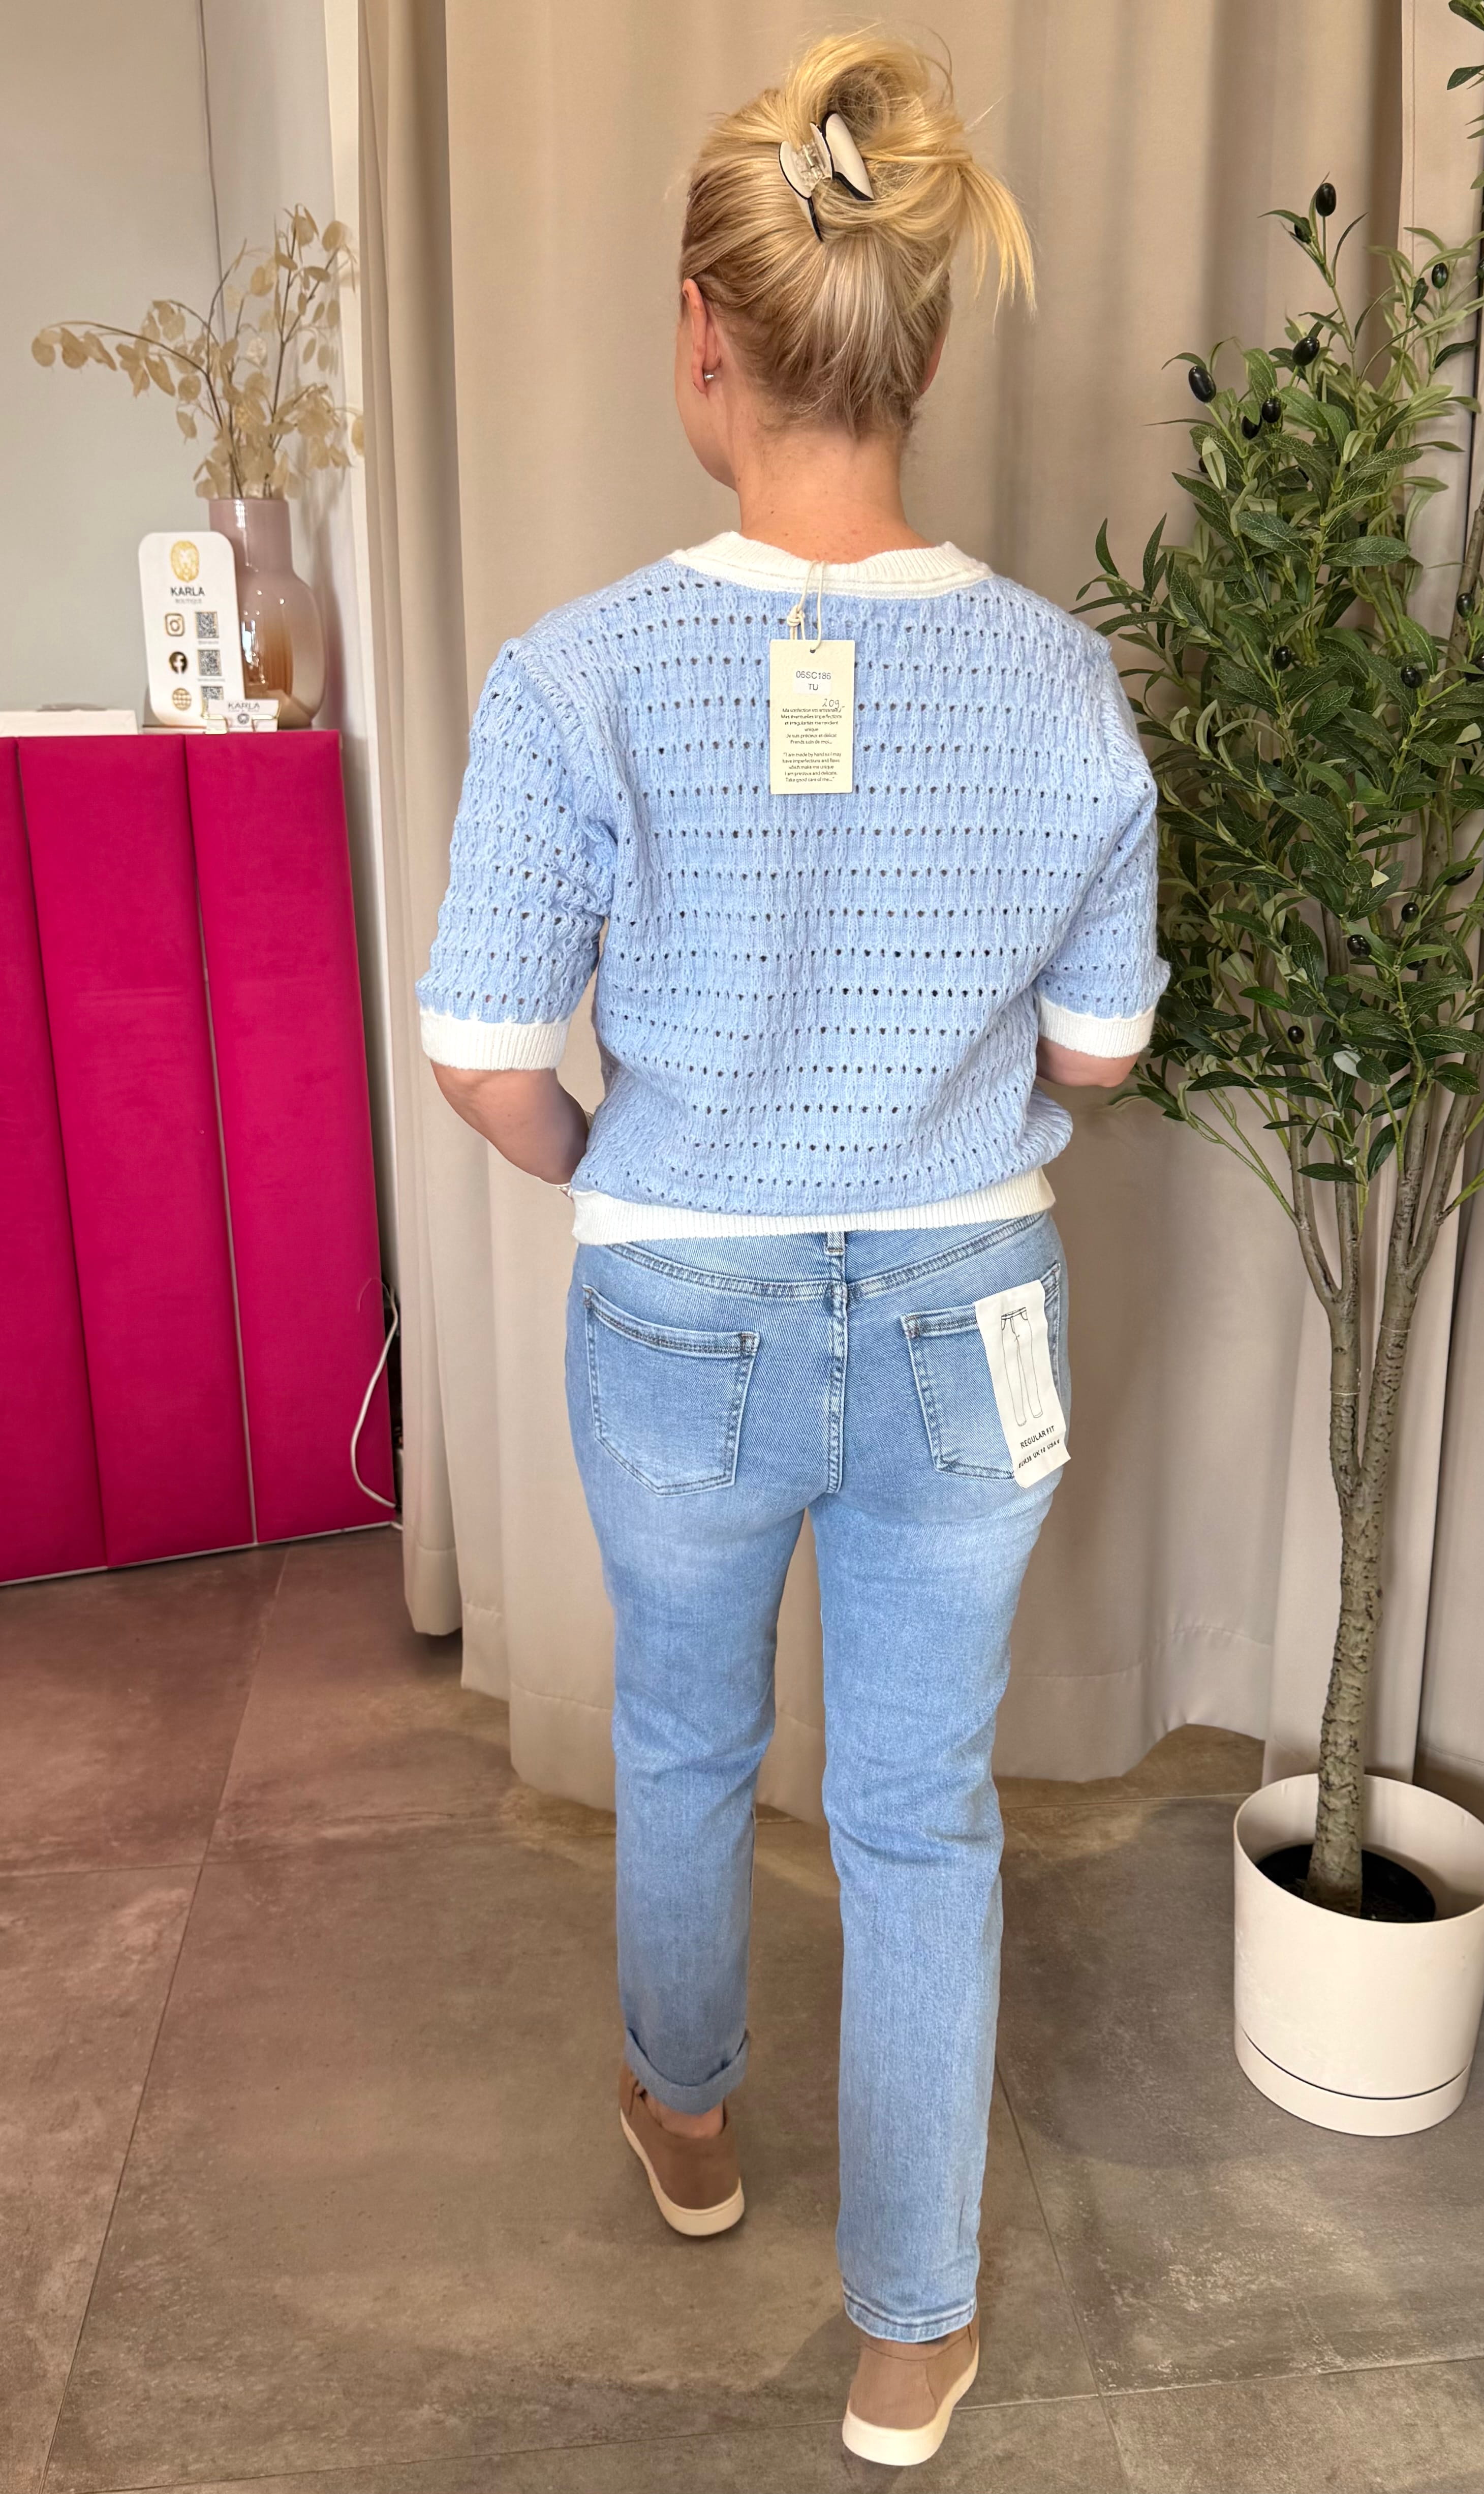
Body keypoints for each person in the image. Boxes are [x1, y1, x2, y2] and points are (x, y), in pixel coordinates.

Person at [419, 32, 1164, 2470]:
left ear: (699, 340)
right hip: (966, 1310)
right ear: (924, 347)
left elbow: (484, 1058)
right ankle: (914, 2334)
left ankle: (688, 2115)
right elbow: (1097, 1058)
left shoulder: (576, 674)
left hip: (682, 1306)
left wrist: (611, 1156)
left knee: (678, 1738)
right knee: (919, 1808)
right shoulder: (1059, 681)